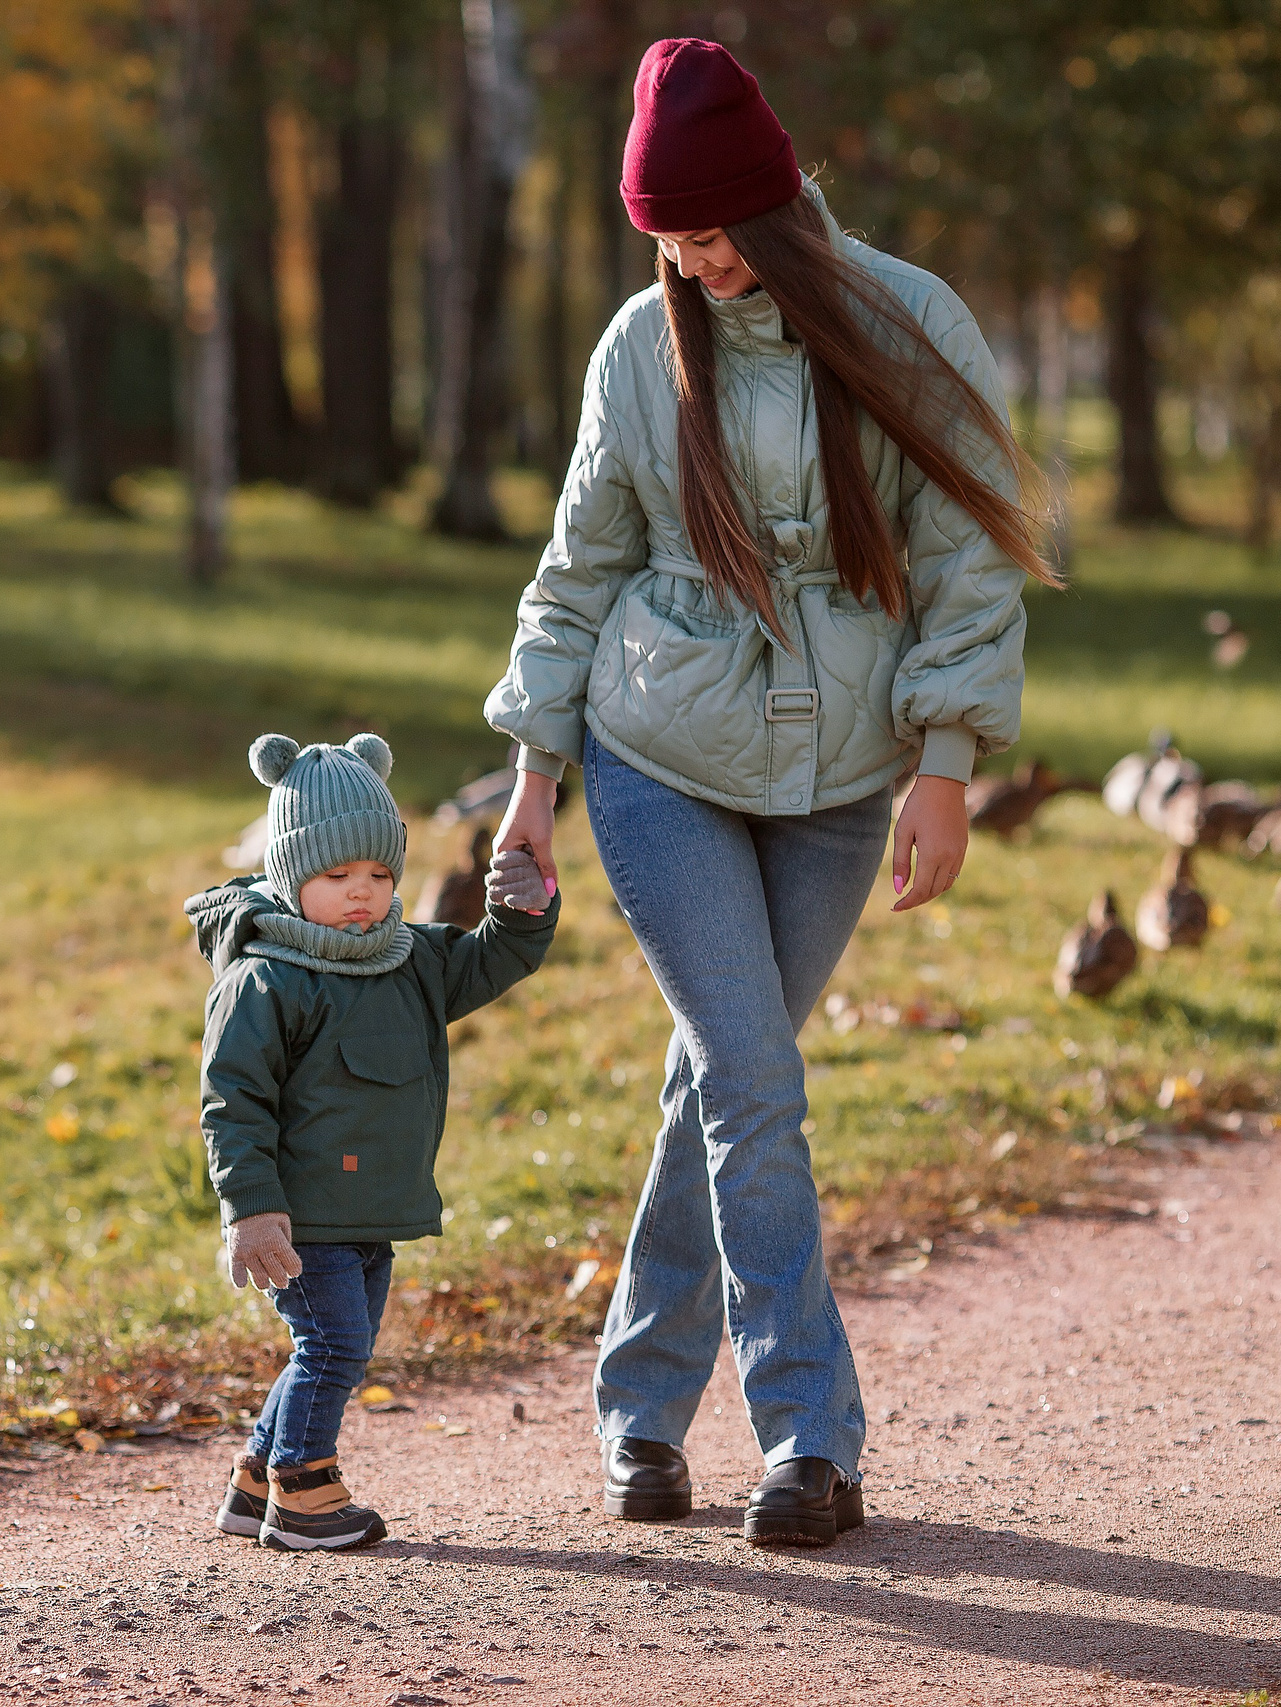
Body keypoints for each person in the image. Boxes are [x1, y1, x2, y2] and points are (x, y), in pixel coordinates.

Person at [485, 39, 1058, 1548]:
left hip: (840, 775)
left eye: (716, 232)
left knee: (719, 1080)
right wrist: (535, 778)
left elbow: (966, 557)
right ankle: (812, 1434)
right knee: (753, 1080)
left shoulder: (906, 319)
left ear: (781, 201)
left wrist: (947, 762)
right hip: (658, 757)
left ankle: (639, 1406)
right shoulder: (636, 348)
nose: (696, 263)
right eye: (668, 241)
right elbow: (578, 572)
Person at [188, 733, 556, 1551]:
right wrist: (251, 1208)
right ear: (290, 875)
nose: (362, 895)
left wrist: (523, 906)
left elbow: (498, 959)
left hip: (373, 1209)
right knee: (336, 1346)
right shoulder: (266, 976)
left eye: (380, 876)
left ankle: (256, 1478)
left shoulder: (410, 958)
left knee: (333, 1347)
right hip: (300, 1216)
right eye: (337, 876)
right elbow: (233, 1101)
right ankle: (303, 1490)